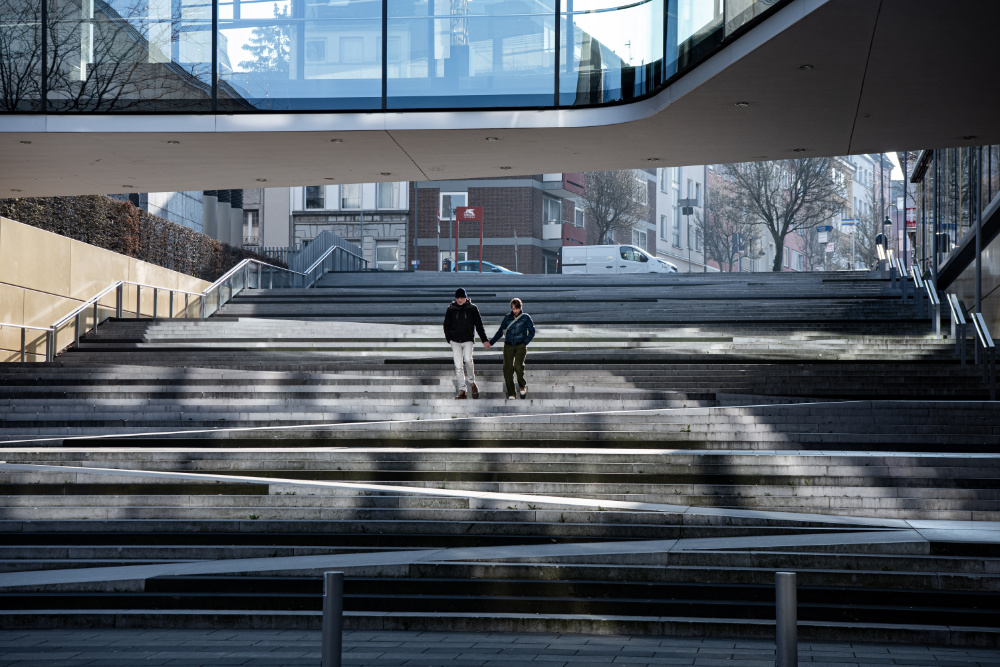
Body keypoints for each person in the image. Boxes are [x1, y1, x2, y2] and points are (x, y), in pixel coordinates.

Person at [443, 288, 491, 399]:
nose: (460, 300)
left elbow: (479, 325)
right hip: (455, 341)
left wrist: (484, 340)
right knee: (458, 366)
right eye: (458, 298)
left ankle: (472, 382)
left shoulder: (472, 308)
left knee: (468, 360)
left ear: (465, 297)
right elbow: (446, 325)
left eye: (462, 298)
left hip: (468, 339)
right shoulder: (451, 309)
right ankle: (462, 390)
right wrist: (449, 338)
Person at [489, 298, 535, 400]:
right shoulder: (507, 318)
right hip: (508, 345)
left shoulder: (526, 317)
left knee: (518, 366)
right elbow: (500, 331)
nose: (515, 311)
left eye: (517, 308)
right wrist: (491, 342)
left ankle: (522, 385)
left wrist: (525, 342)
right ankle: (512, 393)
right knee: (507, 369)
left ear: (520, 307)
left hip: (520, 346)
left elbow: (532, 331)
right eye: (514, 309)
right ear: (511, 308)